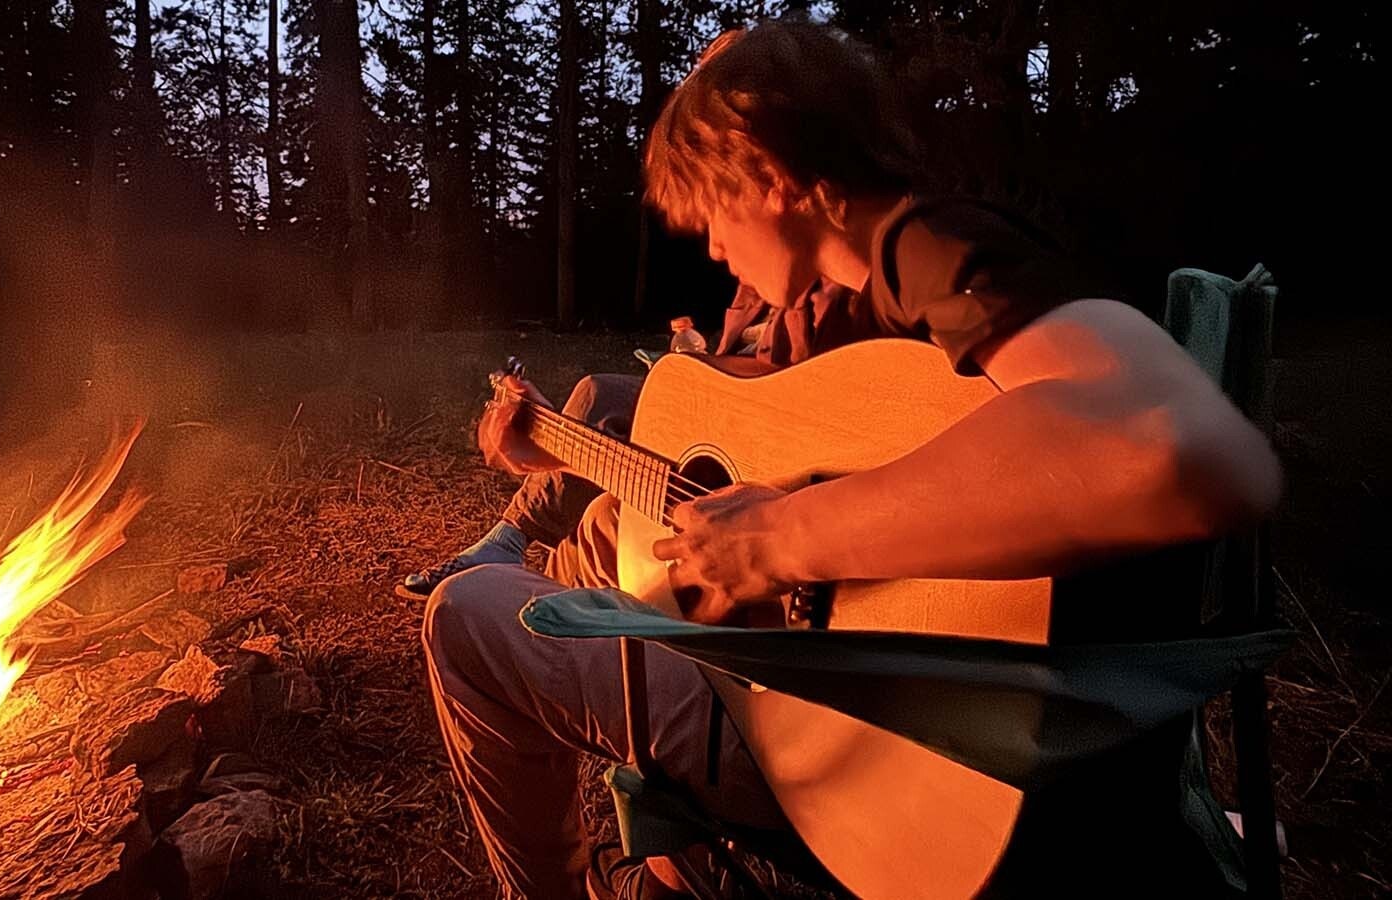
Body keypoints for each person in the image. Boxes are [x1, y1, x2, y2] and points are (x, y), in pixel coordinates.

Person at [421, 20, 1282, 899]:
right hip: (885, 722)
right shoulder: (856, 305)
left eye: (715, 211)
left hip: (871, 743)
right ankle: (668, 869)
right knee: (612, 527)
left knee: (466, 616)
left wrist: (787, 538)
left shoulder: (925, 247)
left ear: (769, 173)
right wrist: (556, 449)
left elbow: (1188, 450)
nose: (714, 248)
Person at [396, 278, 850, 601]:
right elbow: (733, 356)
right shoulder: (760, 277)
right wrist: (555, 446)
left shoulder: (824, 286)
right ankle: (514, 544)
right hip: (730, 404)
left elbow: (793, 402)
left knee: (599, 517)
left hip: (767, 442)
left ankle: (519, 554)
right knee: (600, 391)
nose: (713, 248)